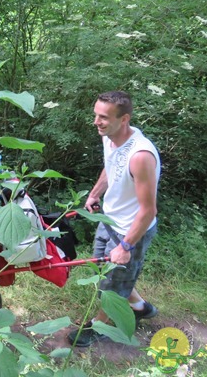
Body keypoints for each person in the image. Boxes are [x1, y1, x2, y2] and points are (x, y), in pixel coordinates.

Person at [68, 91, 161, 347]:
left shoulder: (141, 156)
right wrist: (95, 193)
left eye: (104, 117)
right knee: (104, 275)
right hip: (109, 221)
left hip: (131, 230)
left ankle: (98, 327)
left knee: (112, 287)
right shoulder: (111, 139)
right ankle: (140, 307)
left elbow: (148, 210)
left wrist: (126, 246)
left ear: (124, 119)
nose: (97, 122)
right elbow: (112, 167)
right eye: (96, 115)